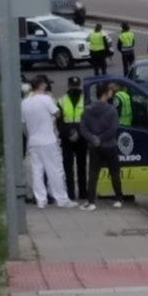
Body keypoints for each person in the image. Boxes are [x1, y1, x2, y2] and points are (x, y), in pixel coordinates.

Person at [21, 75, 75, 209]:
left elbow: (23, 122)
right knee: (55, 170)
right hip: (48, 140)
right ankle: (62, 199)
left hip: (33, 140)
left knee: (37, 170)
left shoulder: (25, 102)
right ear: (42, 85)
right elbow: (57, 113)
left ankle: (41, 200)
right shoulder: (46, 99)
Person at [80, 83, 124, 210]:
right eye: (109, 91)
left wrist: (93, 138)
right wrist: (102, 138)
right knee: (114, 172)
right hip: (110, 145)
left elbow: (83, 128)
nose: (111, 93)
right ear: (105, 94)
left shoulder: (87, 110)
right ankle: (118, 199)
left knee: (93, 174)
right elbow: (113, 129)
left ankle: (91, 201)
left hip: (94, 147)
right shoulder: (111, 110)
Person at [58, 76, 89, 205]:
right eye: (73, 86)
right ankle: (70, 192)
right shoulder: (61, 101)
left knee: (82, 165)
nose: (75, 89)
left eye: (76, 87)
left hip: (82, 138)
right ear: (69, 86)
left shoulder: (86, 100)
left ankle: (83, 192)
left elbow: (88, 120)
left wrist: (81, 133)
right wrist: (69, 133)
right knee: (68, 166)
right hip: (67, 138)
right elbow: (59, 122)